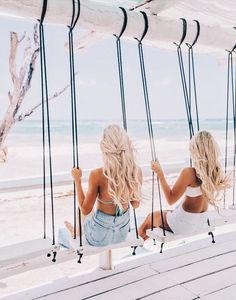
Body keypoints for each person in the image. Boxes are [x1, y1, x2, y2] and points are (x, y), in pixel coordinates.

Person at [138, 130, 230, 239]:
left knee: (150, 218)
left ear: (196, 150)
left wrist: (160, 174)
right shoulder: (213, 171)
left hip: (184, 224)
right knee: (167, 212)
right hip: (201, 220)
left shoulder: (189, 172)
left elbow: (170, 199)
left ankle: (137, 247)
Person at [61, 124, 142, 248]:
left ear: (104, 147)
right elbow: (135, 204)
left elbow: (85, 209)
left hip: (98, 237)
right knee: (92, 213)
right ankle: (77, 232)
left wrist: (77, 180)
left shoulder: (98, 174)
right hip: (121, 235)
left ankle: (76, 234)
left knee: (78, 212)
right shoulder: (136, 171)